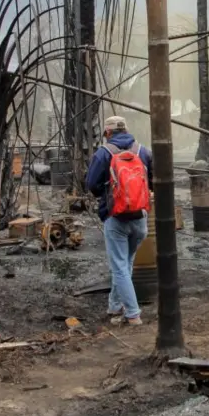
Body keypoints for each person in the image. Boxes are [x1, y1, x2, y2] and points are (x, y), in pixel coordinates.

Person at [86, 115, 153, 325]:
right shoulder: (143, 151)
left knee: (119, 266)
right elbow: (152, 180)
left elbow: (91, 184)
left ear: (108, 133)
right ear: (126, 130)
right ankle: (115, 306)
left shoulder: (103, 153)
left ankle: (133, 314)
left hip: (116, 219)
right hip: (140, 220)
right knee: (125, 263)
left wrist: (107, 195)